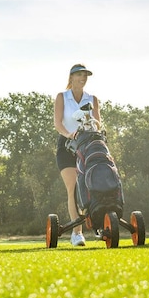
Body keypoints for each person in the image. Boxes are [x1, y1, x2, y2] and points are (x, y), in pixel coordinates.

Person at [53, 63, 101, 247]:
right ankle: (77, 233)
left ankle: (98, 225)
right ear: (71, 77)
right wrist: (68, 134)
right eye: (79, 75)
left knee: (92, 186)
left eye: (85, 75)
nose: (82, 78)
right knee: (73, 188)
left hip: (88, 146)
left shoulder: (92, 98)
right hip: (67, 146)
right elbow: (58, 123)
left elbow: (98, 123)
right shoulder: (62, 97)